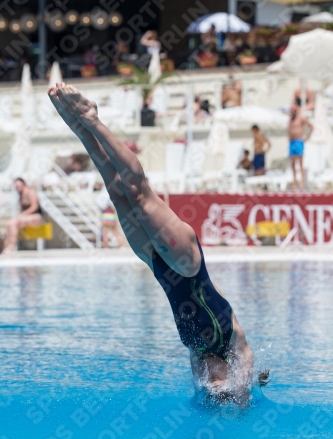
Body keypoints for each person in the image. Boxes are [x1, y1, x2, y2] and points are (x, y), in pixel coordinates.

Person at [48, 83, 270, 405]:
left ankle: (76, 125)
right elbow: (246, 387)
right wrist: (242, 391)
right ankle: (91, 116)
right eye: (222, 387)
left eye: (212, 390)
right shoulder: (235, 346)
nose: (214, 384)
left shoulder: (197, 358)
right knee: (138, 193)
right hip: (186, 263)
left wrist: (211, 395)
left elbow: (205, 395)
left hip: (155, 263)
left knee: (116, 190)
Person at [2, 178, 42, 254]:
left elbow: (34, 207)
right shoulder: (20, 194)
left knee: (13, 223)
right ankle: (8, 246)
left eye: (18, 184)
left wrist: (22, 214)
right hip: (26, 217)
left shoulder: (30, 192)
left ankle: (10, 247)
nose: (17, 187)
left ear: (23, 183)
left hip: (36, 217)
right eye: (15, 185)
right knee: (9, 223)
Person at [288, 104, 313, 190]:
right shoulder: (290, 120)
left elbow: (311, 126)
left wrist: (307, 137)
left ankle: (302, 182)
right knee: (292, 164)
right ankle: (294, 182)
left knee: (300, 163)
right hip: (291, 142)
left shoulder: (301, 118)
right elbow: (289, 130)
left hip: (299, 142)